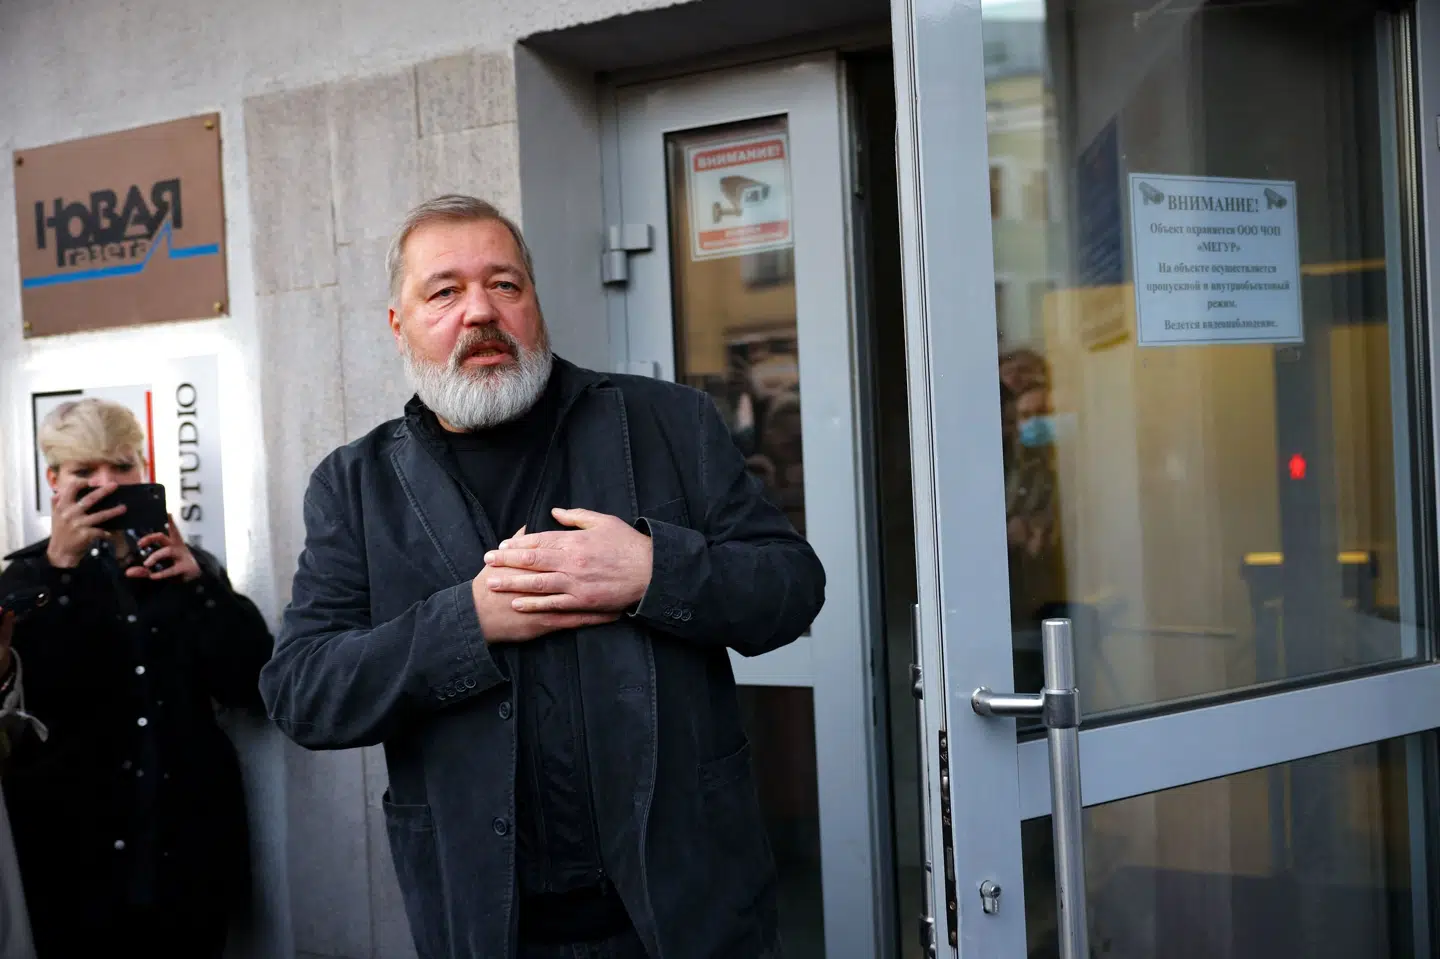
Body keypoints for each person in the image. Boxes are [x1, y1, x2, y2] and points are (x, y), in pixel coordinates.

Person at [260, 194, 826, 959]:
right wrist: (470, 624)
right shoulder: (356, 485)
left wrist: (654, 571)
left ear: (534, 302)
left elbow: (793, 588)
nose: (480, 312)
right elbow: (302, 691)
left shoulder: (668, 423)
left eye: (504, 284)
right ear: (400, 324)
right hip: (486, 926)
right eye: (445, 291)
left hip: (688, 912)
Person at [0, 398, 273, 958]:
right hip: (75, 855)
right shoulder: (25, 578)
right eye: (84, 471)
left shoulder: (191, 567)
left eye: (122, 467)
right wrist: (62, 570)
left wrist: (201, 586)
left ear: (143, 471)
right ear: (53, 481)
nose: (106, 483)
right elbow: (32, 712)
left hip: (188, 846)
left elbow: (254, 685)